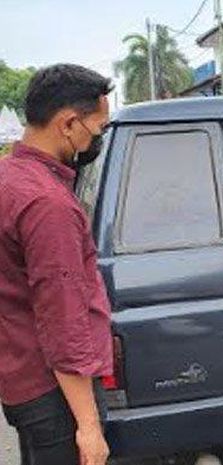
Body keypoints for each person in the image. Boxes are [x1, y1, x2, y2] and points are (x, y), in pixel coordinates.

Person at [0, 64, 114, 465]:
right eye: (97, 130)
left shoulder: (8, 178)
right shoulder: (47, 203)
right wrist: (89, 425)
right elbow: (64, 322)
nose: (95, 139)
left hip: (21, 379)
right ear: (69, 124)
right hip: (55, 396)